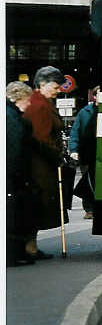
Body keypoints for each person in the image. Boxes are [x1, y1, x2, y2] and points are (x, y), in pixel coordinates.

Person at [22, 66, 69, 259]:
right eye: (55, 86)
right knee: (38, 204)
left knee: (38, 205)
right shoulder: (39, 105)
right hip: (40, 165)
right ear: (42, 83)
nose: (58, 91)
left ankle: (31, 245)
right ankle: (29, 246)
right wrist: (56, 154)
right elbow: (41, 137)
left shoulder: (41, 102)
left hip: (41, 162)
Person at [7, 82, 36, 266]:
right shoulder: (12, 117)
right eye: (28, 100)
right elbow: (14, 148)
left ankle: (16, 253)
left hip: (13, 173)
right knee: (14, 214)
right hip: (14, 174)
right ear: (19, 97)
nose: (29, 104)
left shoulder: (12, 115)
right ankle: (14, 254)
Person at [70, 86, 99, 219]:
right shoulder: (85, 112)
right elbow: (75, 131)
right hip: (86, 152)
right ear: (94, 96)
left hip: (100, 152)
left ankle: (98, 207)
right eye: (99, 94)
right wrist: (74, 150)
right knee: (86, 180)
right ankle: (89, 209)